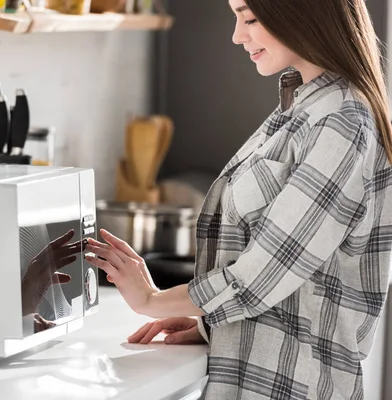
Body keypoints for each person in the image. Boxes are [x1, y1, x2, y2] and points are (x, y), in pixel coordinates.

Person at [85, 0, 392, 398]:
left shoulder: (341, 123)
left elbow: (265, 274)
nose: (237, 35)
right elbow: (296, 282)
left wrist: (152, 300)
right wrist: (208, 323)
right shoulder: (302, 106)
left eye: (249, 18)